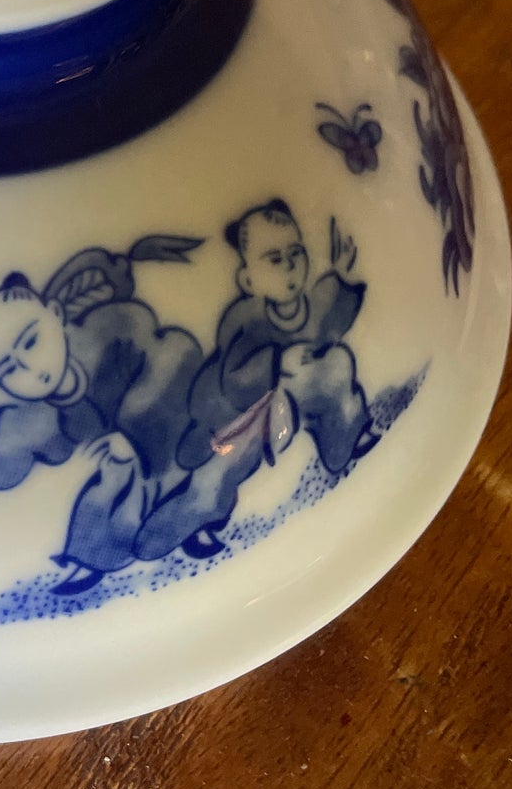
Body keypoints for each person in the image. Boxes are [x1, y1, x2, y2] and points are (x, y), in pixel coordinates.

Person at [134, 200, 371, 563]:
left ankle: (343, 447)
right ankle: (175, 531)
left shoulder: (306, 303)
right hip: (238, 418)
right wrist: (278, 363)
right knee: (215, 480)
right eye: (274, 259)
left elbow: (327, 321)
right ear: (246, 279)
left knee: (337, 366)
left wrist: (343, 278)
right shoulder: (244, 317)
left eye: (296, 253)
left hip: (290, 401)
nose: (290, 265)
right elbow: (233, 380)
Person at [0, 248, 203, 593]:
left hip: (169, 433)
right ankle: (92, 563)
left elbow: (171, 355)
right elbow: (31, 438)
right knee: (102, 494)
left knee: (176, 481)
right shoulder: (49, 403)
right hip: (121, 459)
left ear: (56, 314)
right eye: (9, 370)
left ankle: (189, 528)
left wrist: (134, 439)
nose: (31, 369)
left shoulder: (114, 327)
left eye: (31, 342)